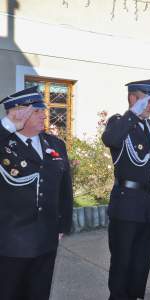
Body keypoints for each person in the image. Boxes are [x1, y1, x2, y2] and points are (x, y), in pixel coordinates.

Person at [0, 86, 73, 300]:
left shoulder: (55, 144)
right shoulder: (4, 143)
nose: (44, 114)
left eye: (44, 109)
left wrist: (63, 224)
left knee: (39, 294)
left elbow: (64, 189)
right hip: (11, 242)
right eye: (37, 109)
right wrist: (7, 125)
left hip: (46, 239)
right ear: (16, 114)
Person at [102, 79, 150, 300]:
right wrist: (131, 114)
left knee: (142, 260)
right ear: (133, 99)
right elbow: (110, 139)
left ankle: (137, 295)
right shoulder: (119, 123)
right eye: (148, 101)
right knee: (122, 260)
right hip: (127, 206)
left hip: (149, 206)